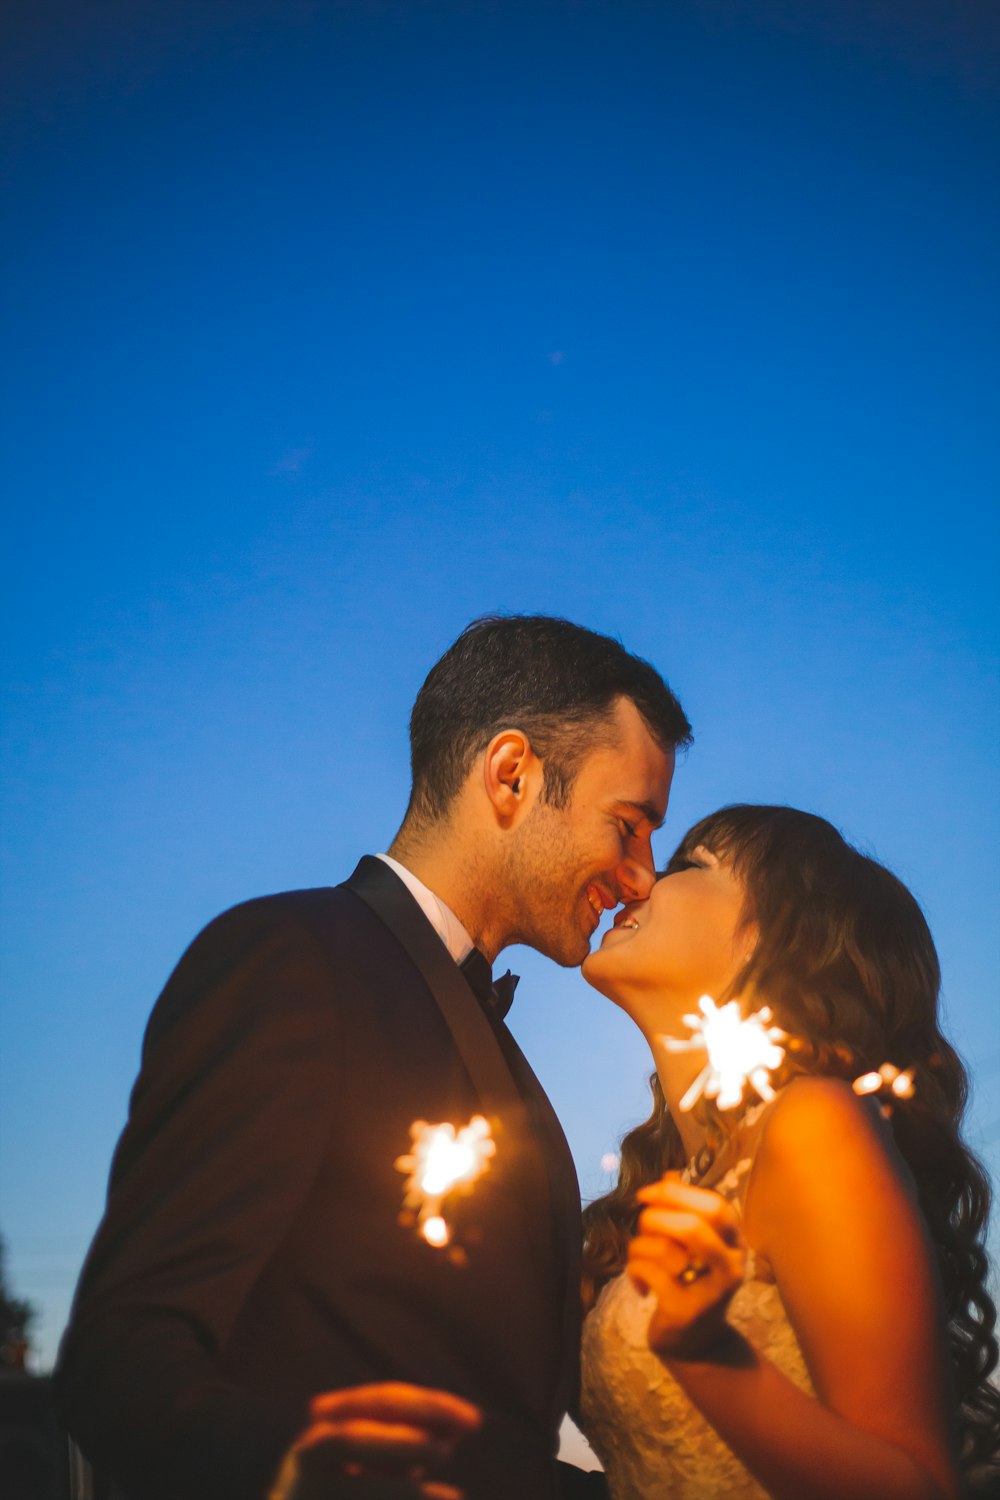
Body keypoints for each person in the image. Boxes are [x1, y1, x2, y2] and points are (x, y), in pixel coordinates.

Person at [54, 615, 690, 1500]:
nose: (642, 875)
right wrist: (295, 1471)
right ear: (511, 775)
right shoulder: (293, 959)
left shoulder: (498, 1048)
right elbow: (121, 1359)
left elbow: (492, 1436)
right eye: (628, 826)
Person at [576, 804, 1000, 1500]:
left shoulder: (812, 1125)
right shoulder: (673, 1183)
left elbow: (919, 1487)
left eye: (688, 865)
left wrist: (710, 1357)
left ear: (769, 939)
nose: (640, 880)